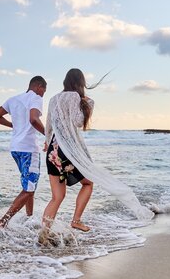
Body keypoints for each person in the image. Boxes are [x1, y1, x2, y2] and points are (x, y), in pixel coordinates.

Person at [41, 68, 153, 240]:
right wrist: (88, 105)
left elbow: (49, 125)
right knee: (88, 184)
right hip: (68, 150)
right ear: (80, 83)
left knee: (57, 196)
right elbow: (78, 122)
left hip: (53, 150)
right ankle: (76, 220)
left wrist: (48, 143)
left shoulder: (53, 99)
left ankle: (44, 234)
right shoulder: (74, 97)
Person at [0, 76, 47, 228]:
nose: (43, 95)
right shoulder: (35, 97)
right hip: (29, 149)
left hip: (15, 148)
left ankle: (29, 217)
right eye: (43, 91)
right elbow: (34, 120)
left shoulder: (13, 99)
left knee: (29, 186)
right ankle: (3, 222)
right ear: (38, 86)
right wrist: (49, 135)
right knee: (29, 189)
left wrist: (14, 126)